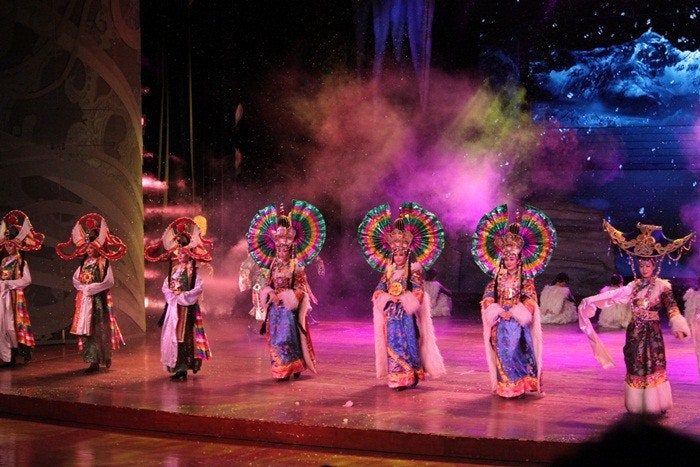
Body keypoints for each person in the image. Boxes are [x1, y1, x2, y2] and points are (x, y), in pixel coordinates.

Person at [578, 221, 694, 414]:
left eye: (647, 265)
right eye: (641, 265)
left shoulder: (662, 286)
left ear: (654, 266)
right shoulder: (633, 286)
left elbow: (672, 307)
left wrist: (678, 325)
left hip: (652, 333)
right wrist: (590, 300)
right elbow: (613, 295)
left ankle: (655, 403)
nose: (644, 268)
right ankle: (637, 403)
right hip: (635, 332)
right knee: (634, 363)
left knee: (654, 364)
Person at [472, 205, 557, 398]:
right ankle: (506, 387)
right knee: (502, 352)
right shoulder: (497, 278)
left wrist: (515, 313)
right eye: (506, 258)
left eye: (512, 258)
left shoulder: (525, 279)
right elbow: (488, 296)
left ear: (518, 259)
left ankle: (519, 385)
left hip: (517, 322)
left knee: (515, 351)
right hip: (500, 320)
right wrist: (496, 310)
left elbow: (530, 299)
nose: (508, 261)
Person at [358, 202, 446, 390]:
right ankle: (396, 377)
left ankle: (410, 374)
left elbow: (419, 291)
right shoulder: (388, 272)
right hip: (391, 315)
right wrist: (386, 298)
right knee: (392, 344)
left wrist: (405, 299)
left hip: (406, 315)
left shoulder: (413, 271)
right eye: (395, 254)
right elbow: (378, 291)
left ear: (407, 254)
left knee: (408, 343)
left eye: (401, 254)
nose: (398, 257)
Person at [245, 201, 325, 381]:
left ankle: (294, 366)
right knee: (275, 338)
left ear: (290, 249)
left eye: (285, 249)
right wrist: (271, 294)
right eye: (279, 249)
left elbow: (301, 287)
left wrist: (287, 297)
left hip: (289, 308)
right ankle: (280, 369)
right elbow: (267, 284)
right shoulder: (273, 264)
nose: (281, 252)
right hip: (275, 308)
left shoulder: (296, 265)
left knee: (288, 337)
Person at [56, 213, 127, 373]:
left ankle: (104, 356)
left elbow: (109, 281)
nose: (89, 250)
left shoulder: (103, 263)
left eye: (92, 248)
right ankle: (92, 360)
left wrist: (91, 288)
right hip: (85, 300)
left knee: (99, 328)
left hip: (98, 301)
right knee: (87, 330)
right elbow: (76, 279)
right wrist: (83, 288)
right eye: (87, 248)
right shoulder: (84, 264)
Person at [145, 217, 213, 381]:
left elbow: (198, 288)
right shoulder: (175, 269)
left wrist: (182, 296)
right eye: (179, 252)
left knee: (184, 338)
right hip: (173, 307)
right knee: (172, 337)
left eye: (183, 252)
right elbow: (165, 285)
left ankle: (183, 368)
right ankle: (176, 367)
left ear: (189, 253)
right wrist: (171, 294)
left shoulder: (192, 271)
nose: (180, 255)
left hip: (186, 308)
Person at [0, 211, 44, 368]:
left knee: (14, 325)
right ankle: (7, 357)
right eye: (6, 244)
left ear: (17, 244)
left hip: (14, 297)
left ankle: (21, 352)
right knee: (3, 326)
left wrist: (9, 284)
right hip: (3, 297)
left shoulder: (21, 262)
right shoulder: (4, 261)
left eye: (11, 244)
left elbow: (27, 280)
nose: (8, 247)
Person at [683, 286, 700, 373]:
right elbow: (689, 311)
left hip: (696, 320)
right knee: (698, 346)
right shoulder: (693, 294)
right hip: (696, 321)